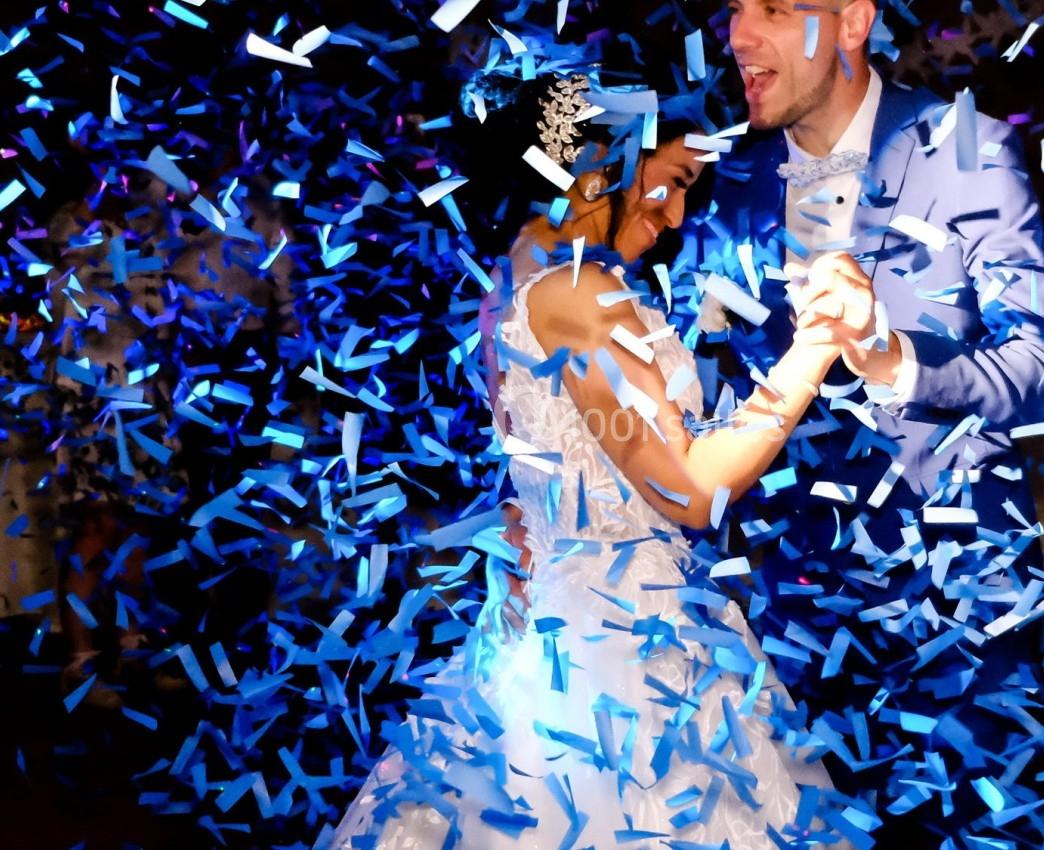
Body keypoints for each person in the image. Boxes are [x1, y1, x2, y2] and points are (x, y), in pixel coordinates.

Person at [331, 69, 874, 849]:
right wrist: (815, 351)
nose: (679, 214)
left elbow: (540, 461)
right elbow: (689, 492)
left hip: (549, 632)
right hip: (625, 658)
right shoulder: (577, 295)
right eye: (674, 181)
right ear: (600, 168)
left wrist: (518, 525)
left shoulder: (517, 276)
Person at [689, 0, 1044, 842]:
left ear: (852, 21)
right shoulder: (728, 186)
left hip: (960, 623)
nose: (738, 35)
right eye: (733, 11)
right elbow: (706, 397)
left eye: (768, 8)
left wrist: (892, 355)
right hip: (787, 633)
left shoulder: (966, 149)